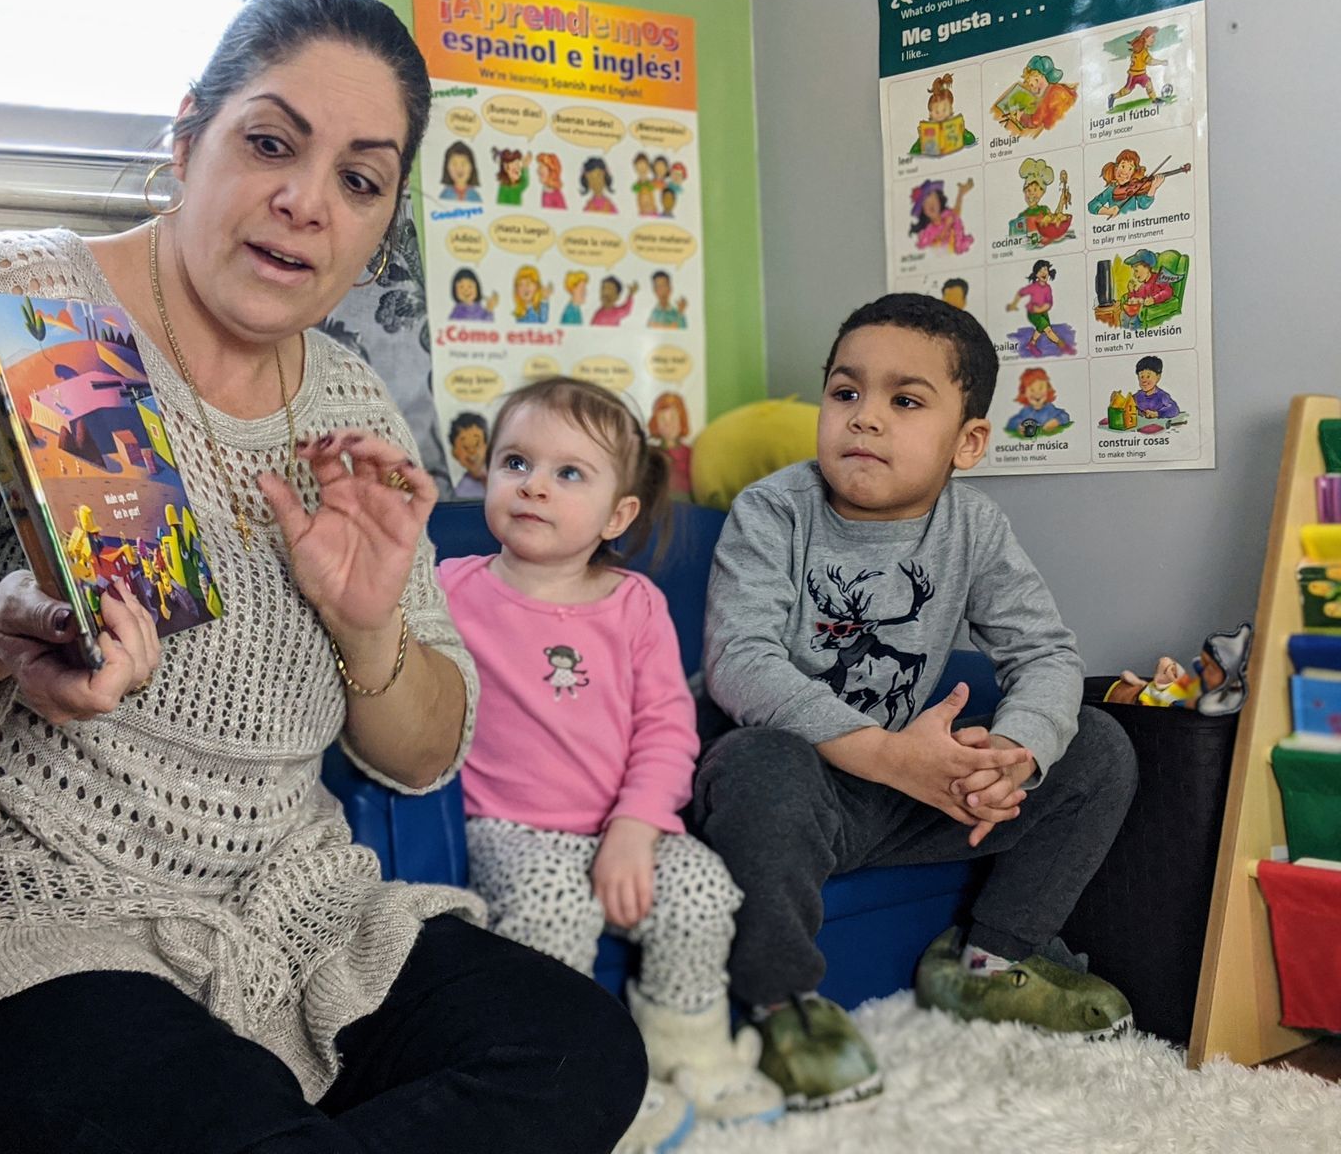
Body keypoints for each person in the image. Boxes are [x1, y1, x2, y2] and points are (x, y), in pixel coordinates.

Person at [0, 0, 644, 1154]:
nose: (304, 202)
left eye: (360, 180)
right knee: (231, 1124)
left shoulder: (348, 400)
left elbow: (425, 755)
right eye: (270, 142)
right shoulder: (14, 305)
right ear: (186, 139)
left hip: (284, 916)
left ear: (382, 224)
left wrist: (369, 622)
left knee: (581, 1047)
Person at [690, 294, 1137, 1111]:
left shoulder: (976, 529)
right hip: (797, 794)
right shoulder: (772, 510)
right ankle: (784, 1008)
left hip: (903, 797)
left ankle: (990, 964)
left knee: (1101, 748)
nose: (864, 419)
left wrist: (1017, 756)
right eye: (844, 392)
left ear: (968, 441)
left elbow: (1045, 653)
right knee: (758, 763)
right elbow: (738, 661)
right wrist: (889, 754)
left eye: (904, 401)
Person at [441, 377, 783, 1153]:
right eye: (515, 461)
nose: (533, 484)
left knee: (703, 892)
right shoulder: (448, 590)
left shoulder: (634, 606)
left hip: (629, 824)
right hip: (508, 828)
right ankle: (566, 1081)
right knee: (552, 910)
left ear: (618, 514)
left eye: (569, 474)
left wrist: (636, 826)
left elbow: (667, 731)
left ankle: (685, 1050)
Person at [1006, 258, 1069, 355]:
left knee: (1041, 328)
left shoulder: (1048, 288)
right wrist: (1014, 304)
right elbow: (1021, 293)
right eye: (1040, 271)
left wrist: (1042, 308)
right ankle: (1062, 345)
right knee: (1048, 330)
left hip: (1043, 312)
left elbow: (1049, 302)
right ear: (1036, 275)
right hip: (1033, 313)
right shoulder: (1033, 287)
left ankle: (1031, 343)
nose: (1043, 272)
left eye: (1045, 269)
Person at [1005, 367, 1071, 438]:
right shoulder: (1026, 411)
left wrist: (1056, 421)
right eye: (1032, 390)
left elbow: (1064, 416)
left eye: (1041, 388)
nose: (1037, 394)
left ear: (1048, 389)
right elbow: (1012, 421)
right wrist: (1018, 425)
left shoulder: (1050, 409)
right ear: (1024, 393)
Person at [449, 410, 491, 498]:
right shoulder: (461, 493)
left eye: (476, 444)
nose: (472, 451)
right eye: (465, 447)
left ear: (488, 446)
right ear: (454, 453)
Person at [1132, 355, 1180, 419]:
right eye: (1141, 377)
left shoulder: (1162, 396)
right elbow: (1125, 404)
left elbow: (1174, 409)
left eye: (1148, 376)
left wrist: (1157, 414)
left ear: (1158, 377)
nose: (1144, 380)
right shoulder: (1137, 396)